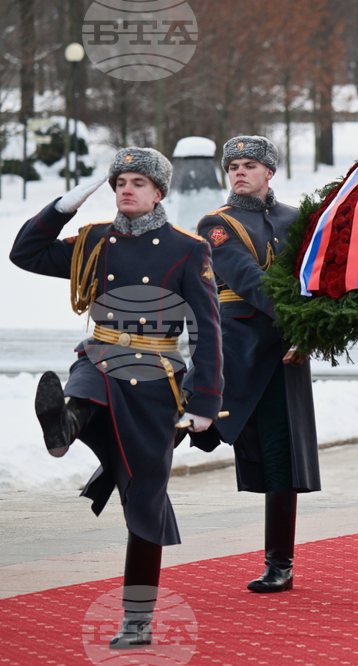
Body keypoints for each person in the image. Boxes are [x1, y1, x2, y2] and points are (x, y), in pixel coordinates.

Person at [10, 148, 223, 648]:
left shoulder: (186, 248)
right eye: (119, 181)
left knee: (144, 501)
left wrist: (204, 399)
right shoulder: (94, 241)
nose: (125, 189)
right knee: (86, 380)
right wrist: (63, 206)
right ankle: (63, 426)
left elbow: (209, 331)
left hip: (155, 379)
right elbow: (25, 254)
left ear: (158, 192)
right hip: (102, 357)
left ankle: (136, 618)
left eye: (137, 182)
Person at [195, 136, 320, 593]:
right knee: (190, 425)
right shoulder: (217, 223)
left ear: (270, 173)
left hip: (285, 353)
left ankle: (279, 564)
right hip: (235, 349)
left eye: (250, 165)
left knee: (279, 458)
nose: (240, 172)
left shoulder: (297, 221)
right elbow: (247, 279)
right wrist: (306, 325)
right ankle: (106, 465)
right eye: (233, 166)